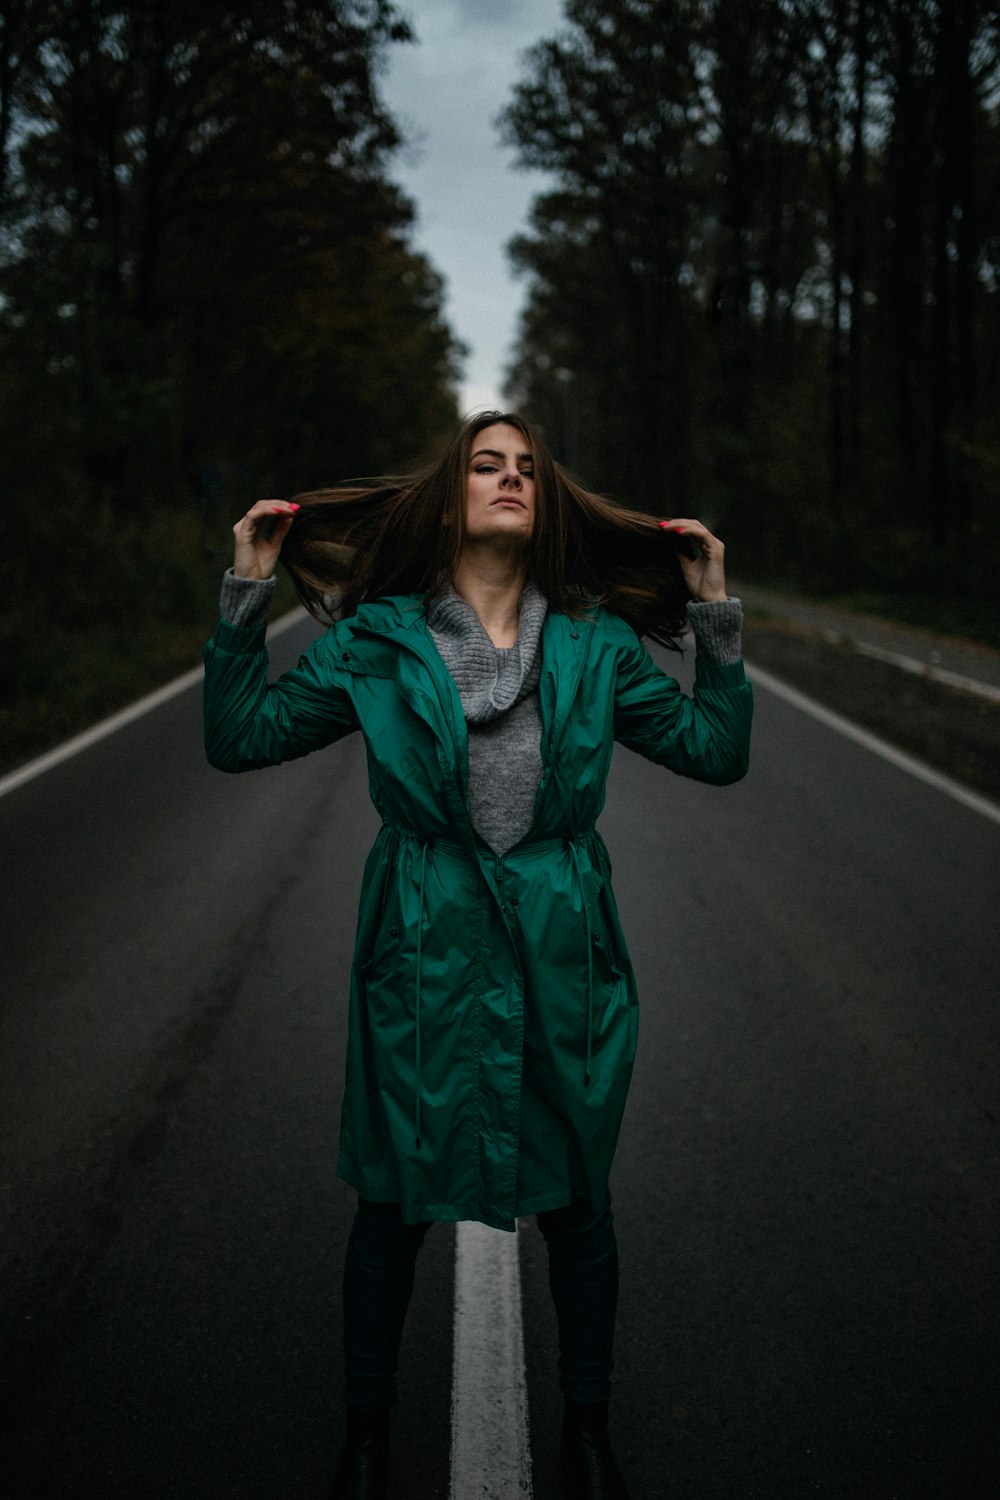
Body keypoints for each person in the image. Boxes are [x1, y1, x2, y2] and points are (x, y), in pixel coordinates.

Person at [203, 410, 753, 1499]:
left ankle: (586, 1428)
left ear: (548, 504)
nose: (509, 480)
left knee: (578, 1203)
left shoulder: (594, 640)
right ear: (445, 496)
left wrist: (714, 617)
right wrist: (245, 595)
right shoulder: (376, 638)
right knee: (392, 1203)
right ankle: (364, 1436)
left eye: (529, 471)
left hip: (563, 946)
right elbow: (240, 738)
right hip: (422, 941)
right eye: (486, 465)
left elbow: (715, 751)